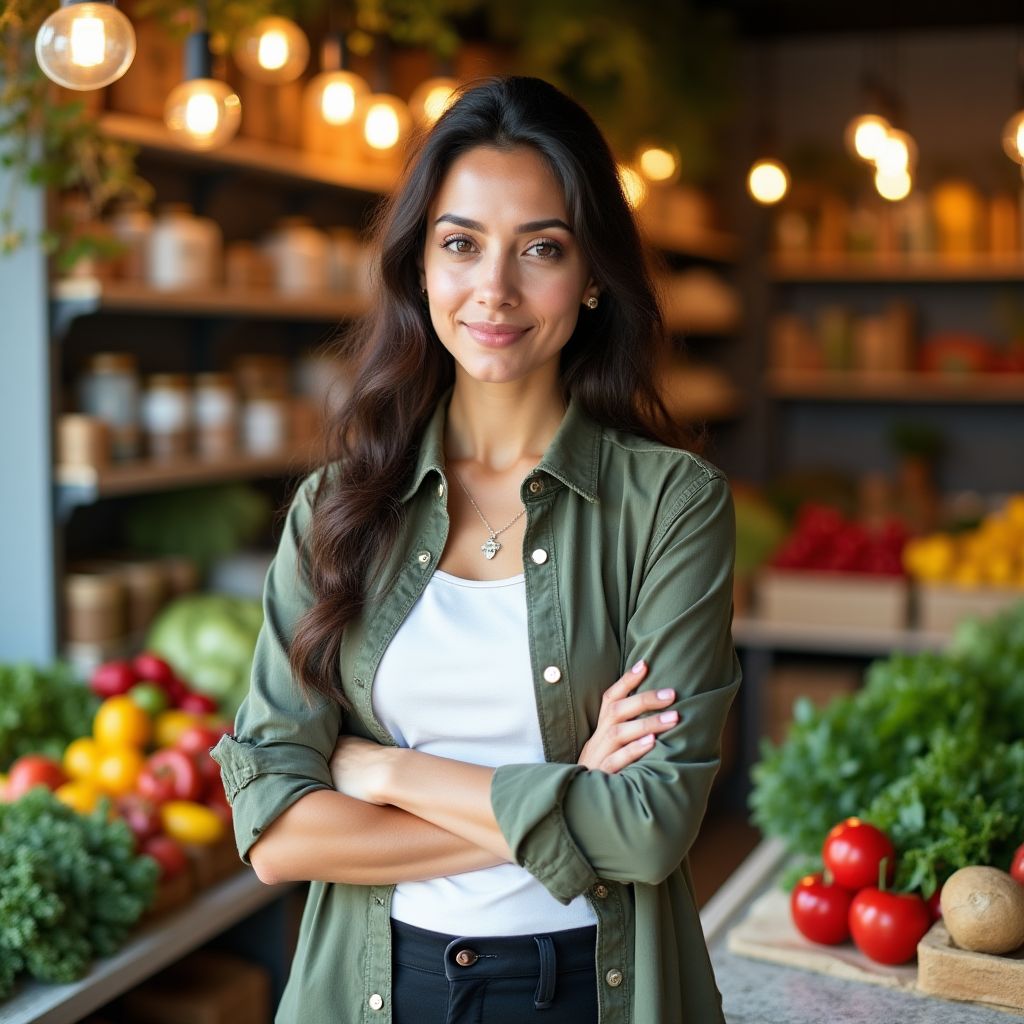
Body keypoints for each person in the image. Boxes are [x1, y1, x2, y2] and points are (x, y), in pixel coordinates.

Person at [212, 75, 740, 1024]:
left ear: (590, 280)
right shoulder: (335, 510)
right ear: (421, 266)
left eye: (540, 248)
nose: (493, 289)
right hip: (376, 988)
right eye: (461, 244)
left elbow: (652, 830)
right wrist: (571, 794)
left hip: (587, 987)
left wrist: (385, 772)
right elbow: (278, 834)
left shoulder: (670, 505)